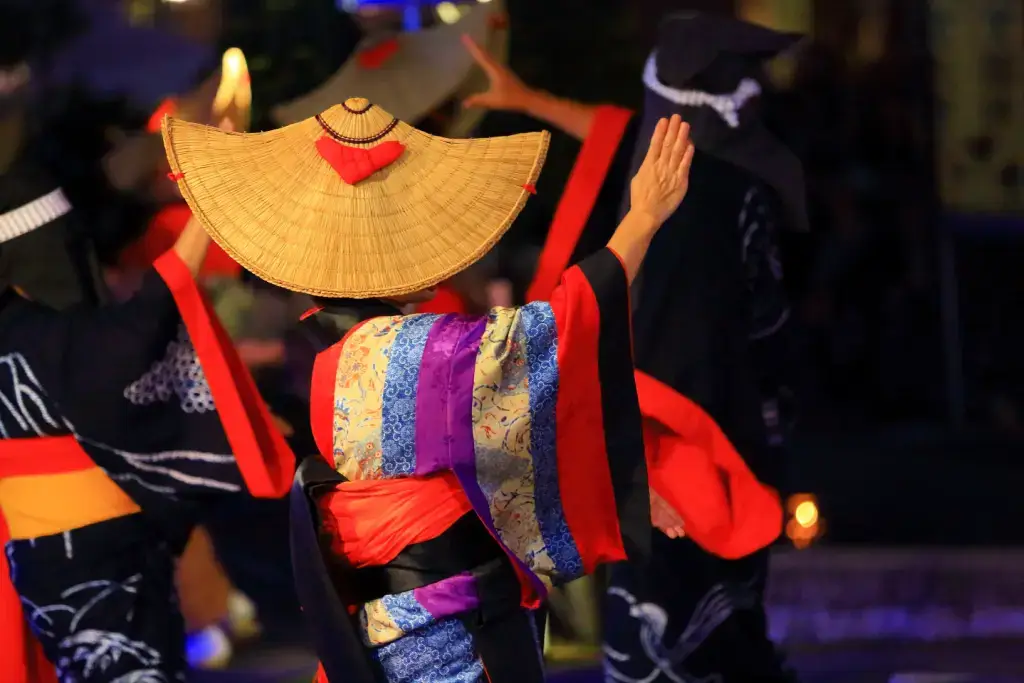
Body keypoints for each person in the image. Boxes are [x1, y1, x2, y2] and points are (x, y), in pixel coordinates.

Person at [160, 95, 694, 682]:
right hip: (441, 622)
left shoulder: (331, 351)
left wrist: (617, 488)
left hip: (388, 614)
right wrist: (642, 218)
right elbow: (561, 329)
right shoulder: (418, 349)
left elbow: (493, 444)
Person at [461, 11, 802, 682]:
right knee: (698, 618)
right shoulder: (712, 185)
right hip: (684, 434)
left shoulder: (682, 190)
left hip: (678, 429)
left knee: (680, 623)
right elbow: (745, 328)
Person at [0, 20, 294, 682]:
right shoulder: (58, 342)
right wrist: (203, 214)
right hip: (97, 543)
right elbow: (150, 313)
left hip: (31, 545)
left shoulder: (26, 340)